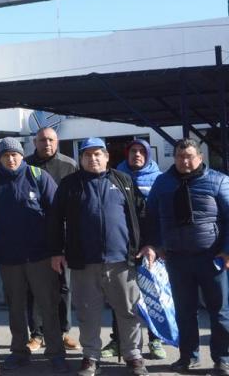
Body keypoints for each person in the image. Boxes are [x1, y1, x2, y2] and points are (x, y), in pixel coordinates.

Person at [48, 138, 151, 376]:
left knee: (128, 311)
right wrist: (56, 251)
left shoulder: (123, 180)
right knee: (87, 312)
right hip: (83, 262)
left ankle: (133, 355)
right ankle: (91, 357)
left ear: (106, 157)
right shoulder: (69, 184)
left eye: (97, 154)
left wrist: (148, 245)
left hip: (122, 261)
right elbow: (55, 220)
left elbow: (142, 214)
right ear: (81, 159)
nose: (93, 159)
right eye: (87, 155)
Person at [0, 137, 67, 373]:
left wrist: (57, 250)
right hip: (9, 257)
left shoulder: (38, 176)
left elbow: (57, 213)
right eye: (6, 156)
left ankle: (56, 353)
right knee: (15, 308)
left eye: (14, 154)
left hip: (40, 256)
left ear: (21, 155)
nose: (11, 159)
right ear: (0, 159)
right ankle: (18, 352)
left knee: (48, 306)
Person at [145, 138, 229, 375]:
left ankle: (222, 359)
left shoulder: (219, 181)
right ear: (174, 158)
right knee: (184, 312)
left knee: (220, 312)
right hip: (177, 259)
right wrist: (156, 245)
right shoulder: (162, 183)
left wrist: (227, 250)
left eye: (190, 156)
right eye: (180, 157)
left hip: (211, 258)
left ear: (200, 157)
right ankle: (188, 357)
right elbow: (151, 216)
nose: (184, 161)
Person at [102, 139, 166, 360]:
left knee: (152, 296)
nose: (137, 155)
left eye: (141, 151)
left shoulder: (159, 179)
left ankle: (155, 339)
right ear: (126, 155)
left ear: (148, 155)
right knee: (120, 298)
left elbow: (163, 215)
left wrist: (158, 245)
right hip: (124, 248)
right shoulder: (114, 177)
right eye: (133, 151)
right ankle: (118, 340)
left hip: (151, 247)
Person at [23, 127, 79, 352]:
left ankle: (63, 331)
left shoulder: (69, 165)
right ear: (35, 142)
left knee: (64, 286)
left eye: (51, 140)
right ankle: (36, 334)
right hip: (33, 236)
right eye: (42, 140)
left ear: (57, 142)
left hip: (63, 236)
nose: (47, 144)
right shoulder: (24, 165)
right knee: (34, 288)